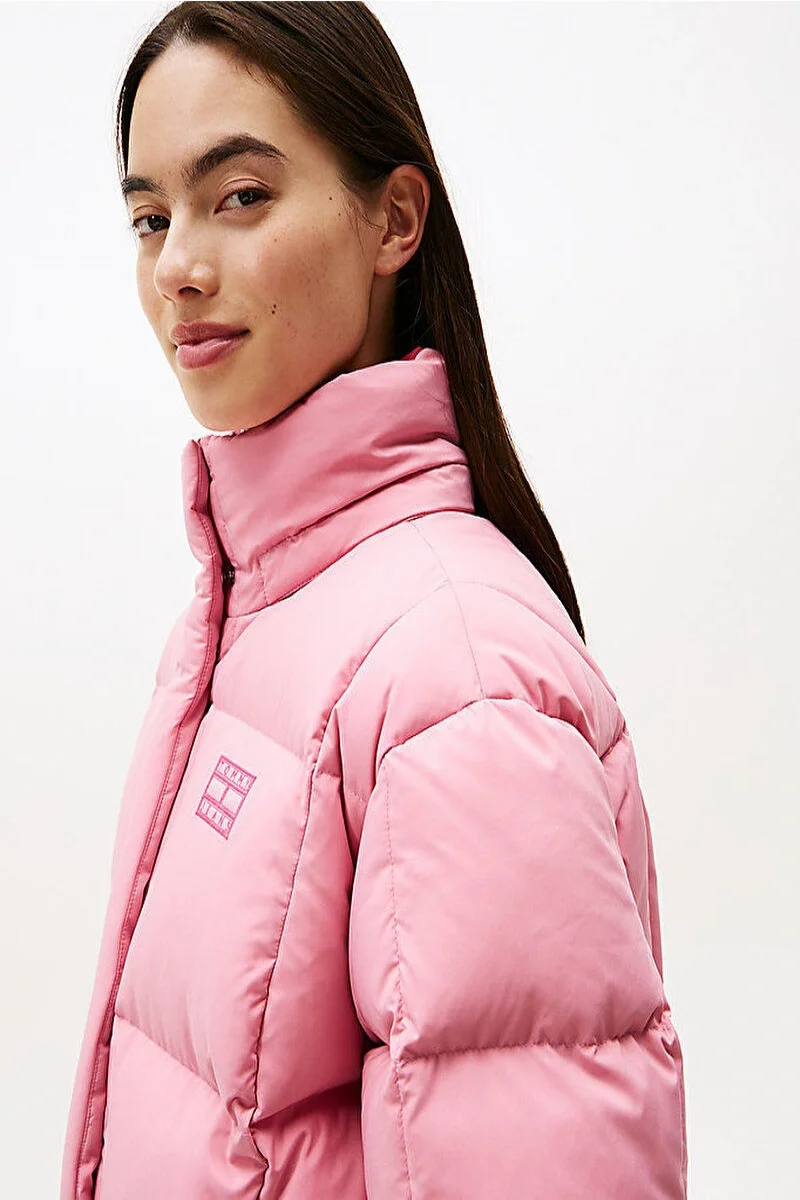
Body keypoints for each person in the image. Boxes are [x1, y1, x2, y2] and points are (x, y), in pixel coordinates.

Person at [60, 3, 688, 1197]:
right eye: (150, 216)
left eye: (240, 196)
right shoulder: (252, 614)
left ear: (393, 220)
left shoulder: (456, 673)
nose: (178, 265)